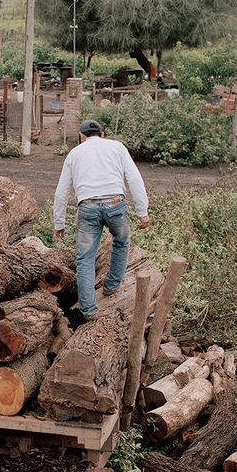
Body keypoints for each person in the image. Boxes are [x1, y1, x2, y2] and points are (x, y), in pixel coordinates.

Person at [53, 119, 150, 322]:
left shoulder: (74, 153)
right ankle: (111, 286)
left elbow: (62, 190)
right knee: (121, 242)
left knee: (85, 258)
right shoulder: (117, 147)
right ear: (102, 134)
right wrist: (143, 211)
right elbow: (134, 177)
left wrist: (59, 223)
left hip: (87, 207)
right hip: (116, 204)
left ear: (81, 136)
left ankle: (88, 310)